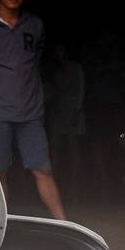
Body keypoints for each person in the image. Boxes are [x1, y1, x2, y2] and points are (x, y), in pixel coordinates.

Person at [0, 0, 66, 220]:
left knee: (42, 169)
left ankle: (64, 223)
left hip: (30, 112)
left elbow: (35, 62)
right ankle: (4, 224)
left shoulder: (35, 24)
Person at [46, 42, 86, 190]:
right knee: (55, 146)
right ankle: (53, 181)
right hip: (58, 112)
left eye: (61, 50)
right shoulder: (55, 71)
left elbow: (81, 89)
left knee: (73, 146)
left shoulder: (76, 67)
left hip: (73, 110)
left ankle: (76, 181)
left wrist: (77, 110)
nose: (58, 53)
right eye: (56, 51)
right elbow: (52, 92)